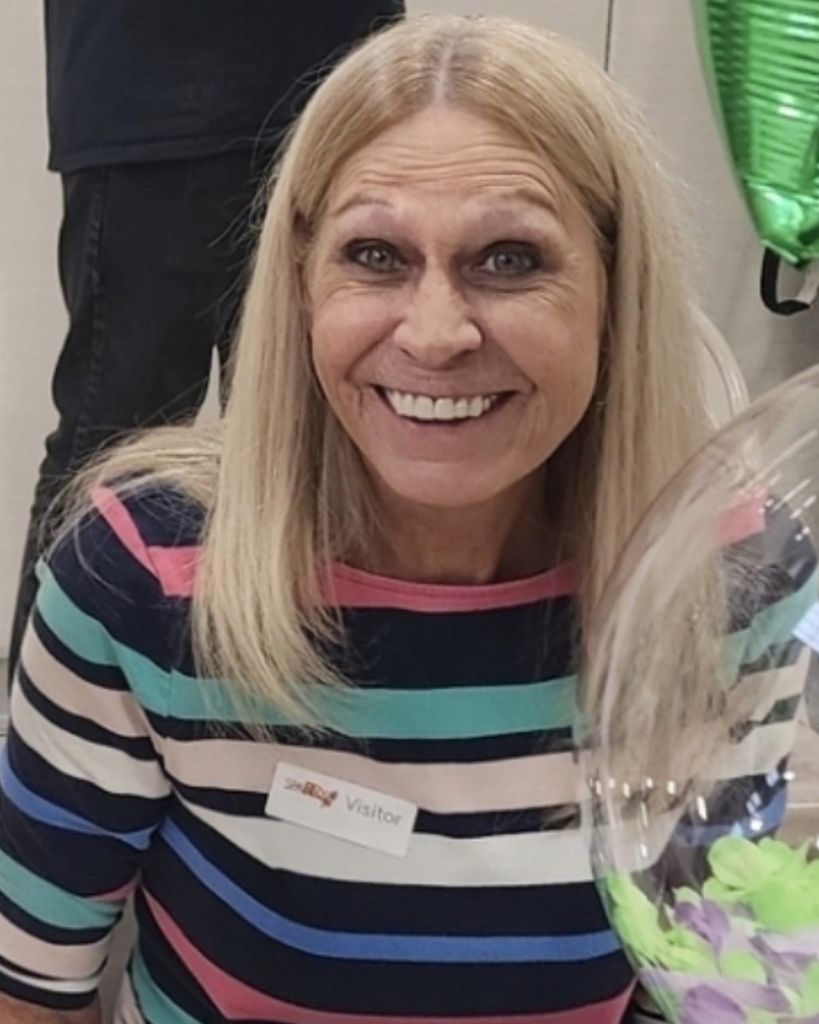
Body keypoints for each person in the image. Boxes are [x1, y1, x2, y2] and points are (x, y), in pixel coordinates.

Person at [0, 14, 803, 1024]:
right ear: (301, 285)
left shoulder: (729, 582)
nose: (433, 335)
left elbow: (695, 977)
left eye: (510, 259)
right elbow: (31, 991)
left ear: (615, 288)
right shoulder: (141, 582)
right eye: (374, 254)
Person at [6, 0, 405, 689]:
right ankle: (47, 720)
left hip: (334, 91)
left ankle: (303, 708)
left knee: (322, 439)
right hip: (156, 98)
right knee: (115, 440)